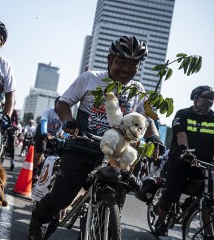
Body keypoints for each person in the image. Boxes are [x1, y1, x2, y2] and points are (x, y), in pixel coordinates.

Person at [28, 36, 165, 239]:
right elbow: (63, 103)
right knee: (62, 197)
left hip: (116, 155)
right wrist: (68, 122)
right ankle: (38, 219)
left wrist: (155, 139)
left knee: (118, 195)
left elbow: (147, 119)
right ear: (110, 60)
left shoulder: (138, 90)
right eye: (121, 62)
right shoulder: (90, 78)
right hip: (83, 147)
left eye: (133, 64)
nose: (127, 68)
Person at [154, 86, 214, 236]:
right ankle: (160, 220)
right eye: (205, 97)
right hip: (181, 160)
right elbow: (181, 134)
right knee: (171, 191)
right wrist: (185, 151)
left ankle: (208, 232)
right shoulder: (183, 114)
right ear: (195, 98)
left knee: (208, 197)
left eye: (211, 98)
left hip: (203, 165)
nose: (208, 101)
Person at [32, 97, 64, 182]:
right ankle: (34, 171)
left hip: (53, 135)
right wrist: (45, 133)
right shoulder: (48, 111)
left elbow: (65, 127)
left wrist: (63, 134)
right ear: (55, 104)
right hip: (43, 132)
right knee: (41, 149)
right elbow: (44, 122)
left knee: (58, 151)